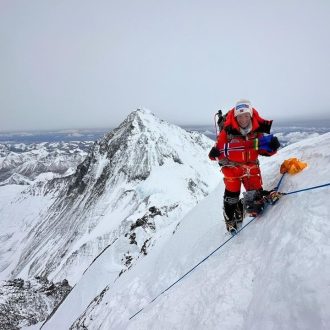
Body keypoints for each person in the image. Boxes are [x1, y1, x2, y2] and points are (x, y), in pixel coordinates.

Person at [208, 99, 280, 233]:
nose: (243, 119)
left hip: (251, 169)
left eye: (246, 115)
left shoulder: (256, 131)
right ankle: (230, 219)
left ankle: (243, 205)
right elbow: (215, 152)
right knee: (231, 197)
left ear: (251, 115)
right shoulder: (227, 132)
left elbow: (263, 150)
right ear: (235, 117)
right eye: (240, 116)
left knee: (255, 202)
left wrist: (272, 148)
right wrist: (214, 154)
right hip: (232, 169)